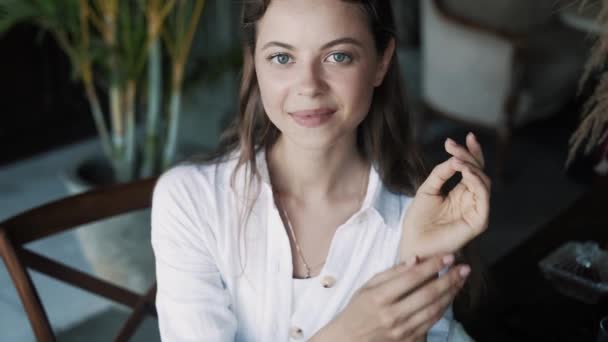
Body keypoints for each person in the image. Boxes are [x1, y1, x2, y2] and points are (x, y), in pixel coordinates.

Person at [151, 0, 491, 341]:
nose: (309, 86)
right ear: (254, 62)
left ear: (381, 62)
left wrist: (414, 260)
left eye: (338, 56)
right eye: (282, 58)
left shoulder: (419, 215)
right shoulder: (191, 200)